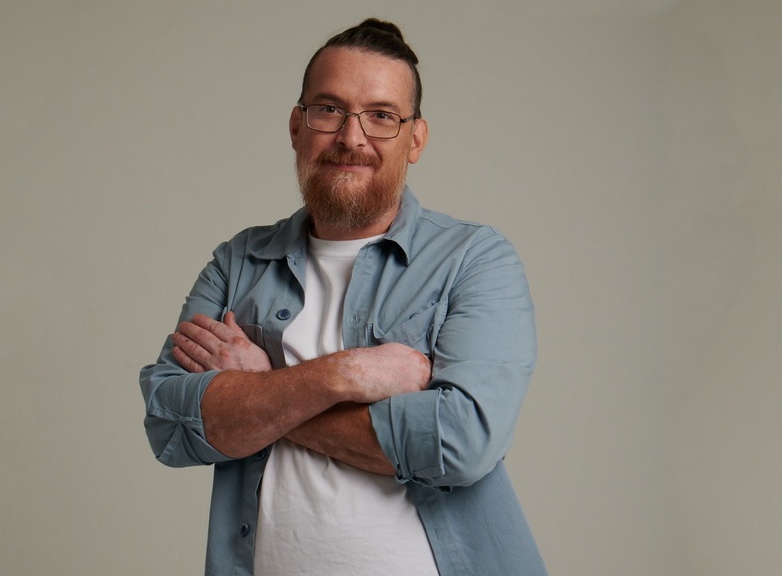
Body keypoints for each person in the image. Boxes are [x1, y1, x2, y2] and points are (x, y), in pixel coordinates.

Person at [140, 18, 547, 576]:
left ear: (415, 139)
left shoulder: (474, 259)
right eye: (330, 109)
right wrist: (343, 375)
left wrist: (261, 390)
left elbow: (462, 443)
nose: (352, 138)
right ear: (297, 126)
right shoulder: (238, 262)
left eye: (381, 115)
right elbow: (170, 424)